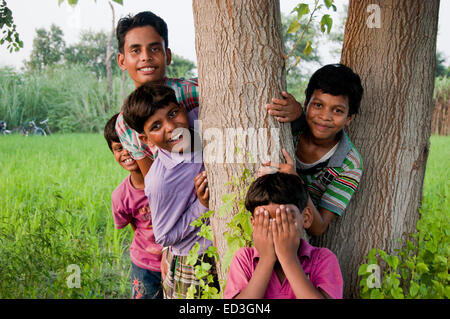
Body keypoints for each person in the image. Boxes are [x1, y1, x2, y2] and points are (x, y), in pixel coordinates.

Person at [121, 83, 218, 299]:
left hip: (225, 246)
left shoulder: (201, 121)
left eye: (174, 113)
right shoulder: (160, 180)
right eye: (156, 126)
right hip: (195, 260)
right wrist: (202, 206)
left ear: (184, 109)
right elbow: (164, 236)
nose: (171, 127)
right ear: (145, 139)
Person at [261, 64, 364, 237]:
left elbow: (319, 227)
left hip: (295, 238)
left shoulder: (349, 163)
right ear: (306, 104)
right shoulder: (291, 129)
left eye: (338, 110)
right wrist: (298, 114)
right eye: (317, 105)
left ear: (349, 118)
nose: (325, 116)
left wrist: (295, 182)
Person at [224, 172, 343, 299]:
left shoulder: (321, 259)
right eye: (266, 219)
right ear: (254, 224)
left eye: (285, 218)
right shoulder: (245, 259)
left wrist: (288, 258)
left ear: (306, 218)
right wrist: (266, 260)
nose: (276, 227)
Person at [103, 113, 163, 299]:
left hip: (177, 257)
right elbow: (135, 227)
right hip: (144, 264)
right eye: (118, 148)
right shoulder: (120, 196)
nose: (126, 152)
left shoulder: (165, 180)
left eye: (129, 145)